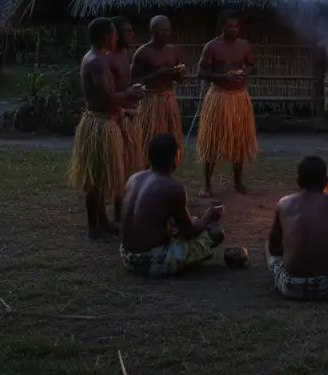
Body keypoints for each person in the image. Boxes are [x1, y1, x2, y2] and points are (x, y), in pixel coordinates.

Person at [68, 17, 145, 239]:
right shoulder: (96, 61)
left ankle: (103, 221)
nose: (117, 38)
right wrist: (130, 95)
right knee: (94, 178)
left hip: (106, 121)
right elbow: (106, 98)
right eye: (115, 34)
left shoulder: (101, 58)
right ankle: (94, 227)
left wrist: (129, 93)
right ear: (107, 38)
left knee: (101, 175)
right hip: (99, 122)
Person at [119, 133, 225, 277]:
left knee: (191, 223)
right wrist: (208, 218)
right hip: (150, 261)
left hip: (126, 255)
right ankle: (180, 261)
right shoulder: (172, 187)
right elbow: (188, 232)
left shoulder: (134, 178)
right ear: (175, 158)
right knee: (215, 234)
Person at [265, 156, 328, 300]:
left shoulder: (283, 203)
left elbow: (274, 249)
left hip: (291, 286)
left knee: (267, 245)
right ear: (326, 181)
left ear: (298, 181)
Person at [196, 9, 258, 196]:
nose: (234, 29)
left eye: (237, 26)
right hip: (219, 97)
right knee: (212, 142)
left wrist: (245, 72)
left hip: (239, 98)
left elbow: (253, 65)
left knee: (240, 140)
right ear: (222, 26)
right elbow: (201, 73)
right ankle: (206, 184)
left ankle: (238, 182)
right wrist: (223, 76)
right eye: (230, 26)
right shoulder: (212, 47)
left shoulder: (244, 46)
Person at [131, 15, 186, 165]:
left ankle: (167, 170)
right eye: (163, 31)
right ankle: (148, 171)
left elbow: (180, 79)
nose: (166, 34)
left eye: (168, 31)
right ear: (153, 31)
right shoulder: (142, 53)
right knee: (149, 139)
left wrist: (178, 74)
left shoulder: (174, 51)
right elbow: (134, 80)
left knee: (170, 139)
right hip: (150, 101)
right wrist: (156, 75)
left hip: (169, 100)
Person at [110, 16, 145, 221]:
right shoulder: (107, 58)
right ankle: (117, 214)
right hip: (116, 118)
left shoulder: (125, 53)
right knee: (118, 168)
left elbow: (125, 83)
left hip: (130, 115)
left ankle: (125, 209)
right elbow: (106, 92)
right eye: (128, 31)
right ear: (116, 34)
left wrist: (136, 91)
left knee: (130, 167)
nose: (132, 34)